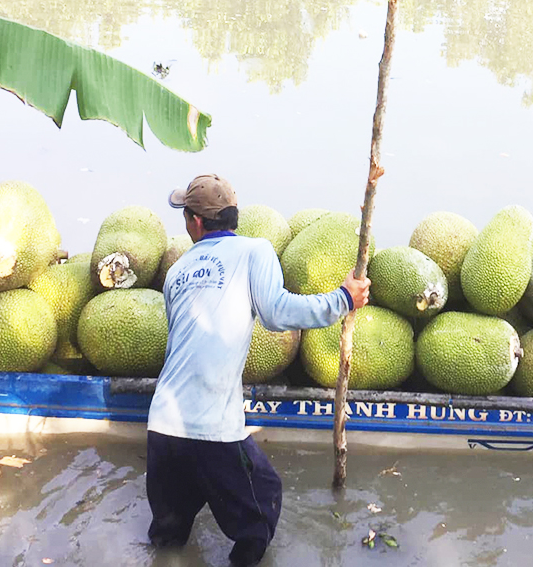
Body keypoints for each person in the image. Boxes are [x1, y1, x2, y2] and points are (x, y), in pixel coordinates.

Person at [145, 174, 370, 565]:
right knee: (262, 504)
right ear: (234, 216)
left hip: (162, 425)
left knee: (168, 536)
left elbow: (175, 345)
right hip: (212, 426)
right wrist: (343, 299)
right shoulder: (255, 251)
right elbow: (278, 313)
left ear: (196, 222)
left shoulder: (177, 271)